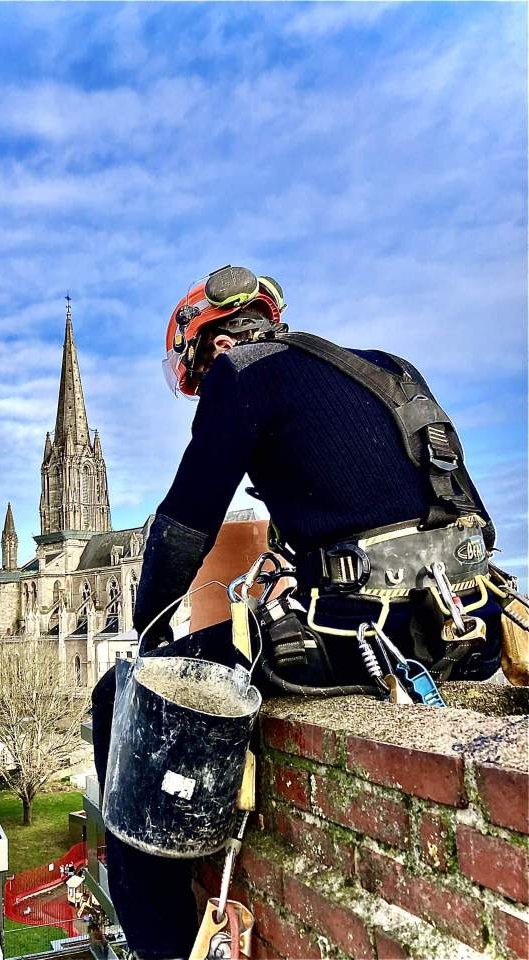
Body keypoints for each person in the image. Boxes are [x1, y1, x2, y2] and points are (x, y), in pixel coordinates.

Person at [92, 265, 503, 960]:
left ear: (208, 344)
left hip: (364, 633)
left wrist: (151, 639)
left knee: (120, 699)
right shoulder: (390, 370)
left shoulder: (242, 373)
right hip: (468, 625)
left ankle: (157, 942)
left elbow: (185, 524)